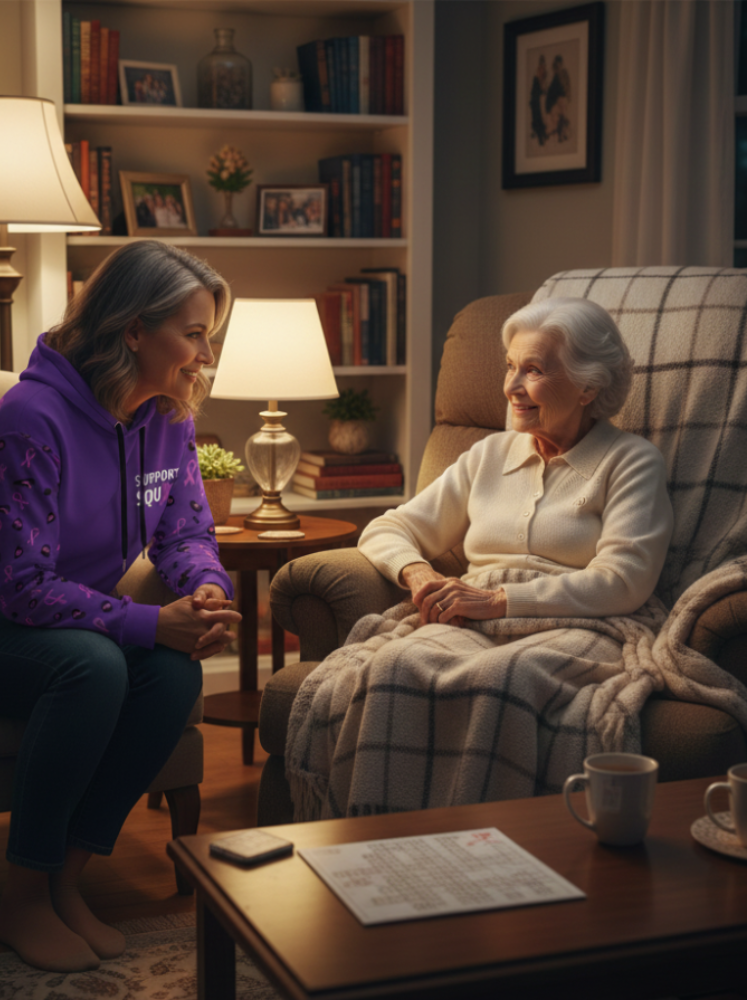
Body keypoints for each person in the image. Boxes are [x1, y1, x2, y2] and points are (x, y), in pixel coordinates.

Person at [0, 240, 241, 973]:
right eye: (193, 333)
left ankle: (64, 884)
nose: (206, 355)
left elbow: (184, 532)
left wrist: (205, 589)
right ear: (134, 329)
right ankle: (21, 898)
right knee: (93, 668)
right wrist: (150, 622)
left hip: (52, 620)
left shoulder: (168, 418)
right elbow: (22, 585)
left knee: (173, 676)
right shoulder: (31, 417)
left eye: (210, 334)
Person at [287, 297, 674, 819]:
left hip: (582, 621)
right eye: (510, 366)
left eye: (533, 370)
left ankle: (483, 838)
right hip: (473, 616)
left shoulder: (631, 462)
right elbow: (389, 527)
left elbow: (623, 581)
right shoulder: (490, 455)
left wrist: (498, 600)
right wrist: (418, 573)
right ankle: (372, 837)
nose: (511, 386)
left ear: (588, 386)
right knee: (396, 664)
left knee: (501, 679)